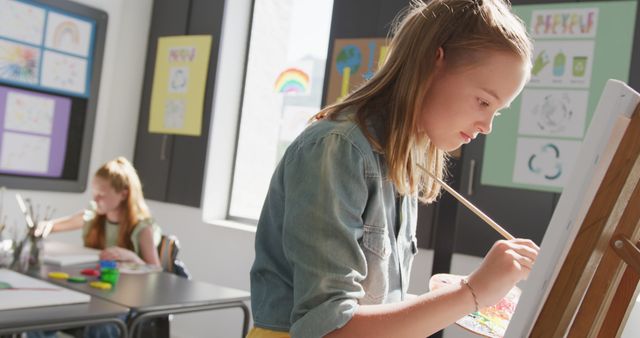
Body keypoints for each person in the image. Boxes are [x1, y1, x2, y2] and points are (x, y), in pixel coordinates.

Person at [248, 0, 540, 337]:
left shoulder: (398, 157)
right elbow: (327, 329)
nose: (487, 125)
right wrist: (471, 293)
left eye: (497, 111)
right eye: (484, 101)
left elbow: (372, 304)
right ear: (434, 63)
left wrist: (460, 298)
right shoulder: (337, 148)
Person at [45, 156, 162, 266]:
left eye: (101, 194)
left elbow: (156, 271)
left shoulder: (142, 228)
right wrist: (42, 227)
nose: (95, 199)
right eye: (94, 193)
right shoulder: (93, 215)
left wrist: (131, 257)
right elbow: (53, 226)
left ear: (123, 194)